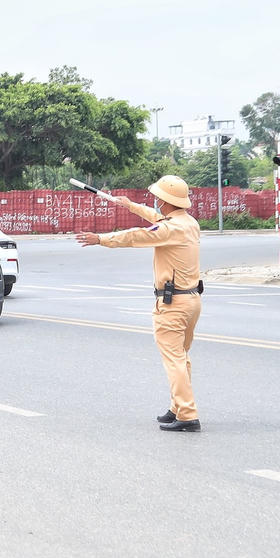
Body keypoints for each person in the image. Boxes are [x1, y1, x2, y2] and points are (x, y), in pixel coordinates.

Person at [75, 175, 203, 432]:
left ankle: (187, 414)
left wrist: (101, 239)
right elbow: (158, 220)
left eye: (158, 199)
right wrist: (130, 205)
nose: (155, 203)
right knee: (181, 357)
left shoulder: (169, 230)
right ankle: (178, 406)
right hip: (191, 300)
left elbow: (137, 236)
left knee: (174, 360)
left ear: (166, 201)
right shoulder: (188, 223)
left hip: (172, 303)